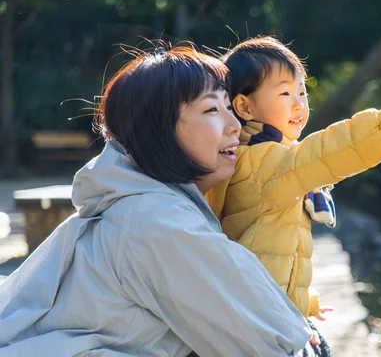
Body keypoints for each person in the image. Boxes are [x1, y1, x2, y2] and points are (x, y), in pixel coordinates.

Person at [0, 44, 314, 356]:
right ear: (159, 130)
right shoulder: (158, 222)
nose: (234, 126)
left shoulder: (130, 204)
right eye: (211, 110)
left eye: (229, 107)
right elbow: (276, 345)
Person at [206, 36, 381, 355]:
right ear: (244, 106)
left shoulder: (265, 156)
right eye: (285, 92)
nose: (299, 103)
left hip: (266, 311)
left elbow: (277, 253)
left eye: (302, 92)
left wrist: (305, 301)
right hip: (262, 321)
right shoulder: (262, 161)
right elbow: (322, 154)